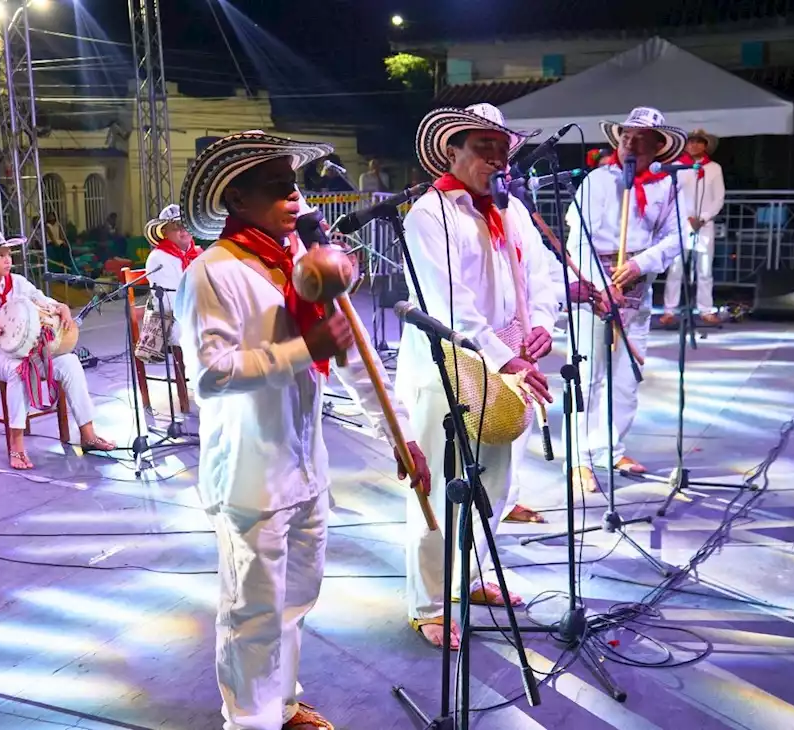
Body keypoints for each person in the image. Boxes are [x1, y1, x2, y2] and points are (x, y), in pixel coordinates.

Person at [173, 130, 430, 730]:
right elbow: (209, 377)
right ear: (236, 198)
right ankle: (251, 721)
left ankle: (281, 703)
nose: (295, 197)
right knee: (253, 610)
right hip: (250, 474)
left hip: (307, 467)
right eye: (277, 187)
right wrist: (300, 348)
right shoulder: (212, 273)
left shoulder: (298, 264)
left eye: (295, 185)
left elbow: (355, 357)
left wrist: (400, 436)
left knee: (296, 601)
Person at [396, 103, 561, 650]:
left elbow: (542, 273)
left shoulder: (511, 210)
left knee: (494, 481)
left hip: (506, 365)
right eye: (483, 146)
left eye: (501, 147)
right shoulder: (429, 213)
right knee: (443, 488)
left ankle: (466, 581)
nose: (496, 157)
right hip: (450, 368)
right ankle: (429, 603)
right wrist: (505, 356)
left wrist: (541, 324)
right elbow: (449, 305)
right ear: (453, 150)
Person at [564, 107, 685, 491]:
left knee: (626, 374)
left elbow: (675, 237)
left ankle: (610, 448)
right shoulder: (597, 180)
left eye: (640, 138)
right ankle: (578, 457)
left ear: (656, 146)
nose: (630, 143)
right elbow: (577, 237)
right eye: (626, 136)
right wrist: (601, 284)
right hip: (595, 288)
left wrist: (639, 265)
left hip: (636, 287)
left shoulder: (666, 187)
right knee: (587, 374)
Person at [0, 231, 116, 470]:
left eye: (8, 255)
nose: (7, 260)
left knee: (70, 362)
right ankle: (17, 445)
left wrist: (61, 307)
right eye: (0, 256)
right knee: (19, 369)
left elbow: (44, 300)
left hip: (23, 352)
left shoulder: (18, 283)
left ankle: (88, 434)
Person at [660, 129, 725, 327]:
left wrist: (703, 218)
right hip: (681, 224)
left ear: (706, 145)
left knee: (704, 270)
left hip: (704, 225)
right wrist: (685, 218)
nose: (694, 145)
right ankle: (669, 310)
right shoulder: (678, 168)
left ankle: (705, 310)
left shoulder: (714, 168)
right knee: (676, 268)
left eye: (699, 142)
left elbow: (719, 197)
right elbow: (671, 195)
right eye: (691, 142)